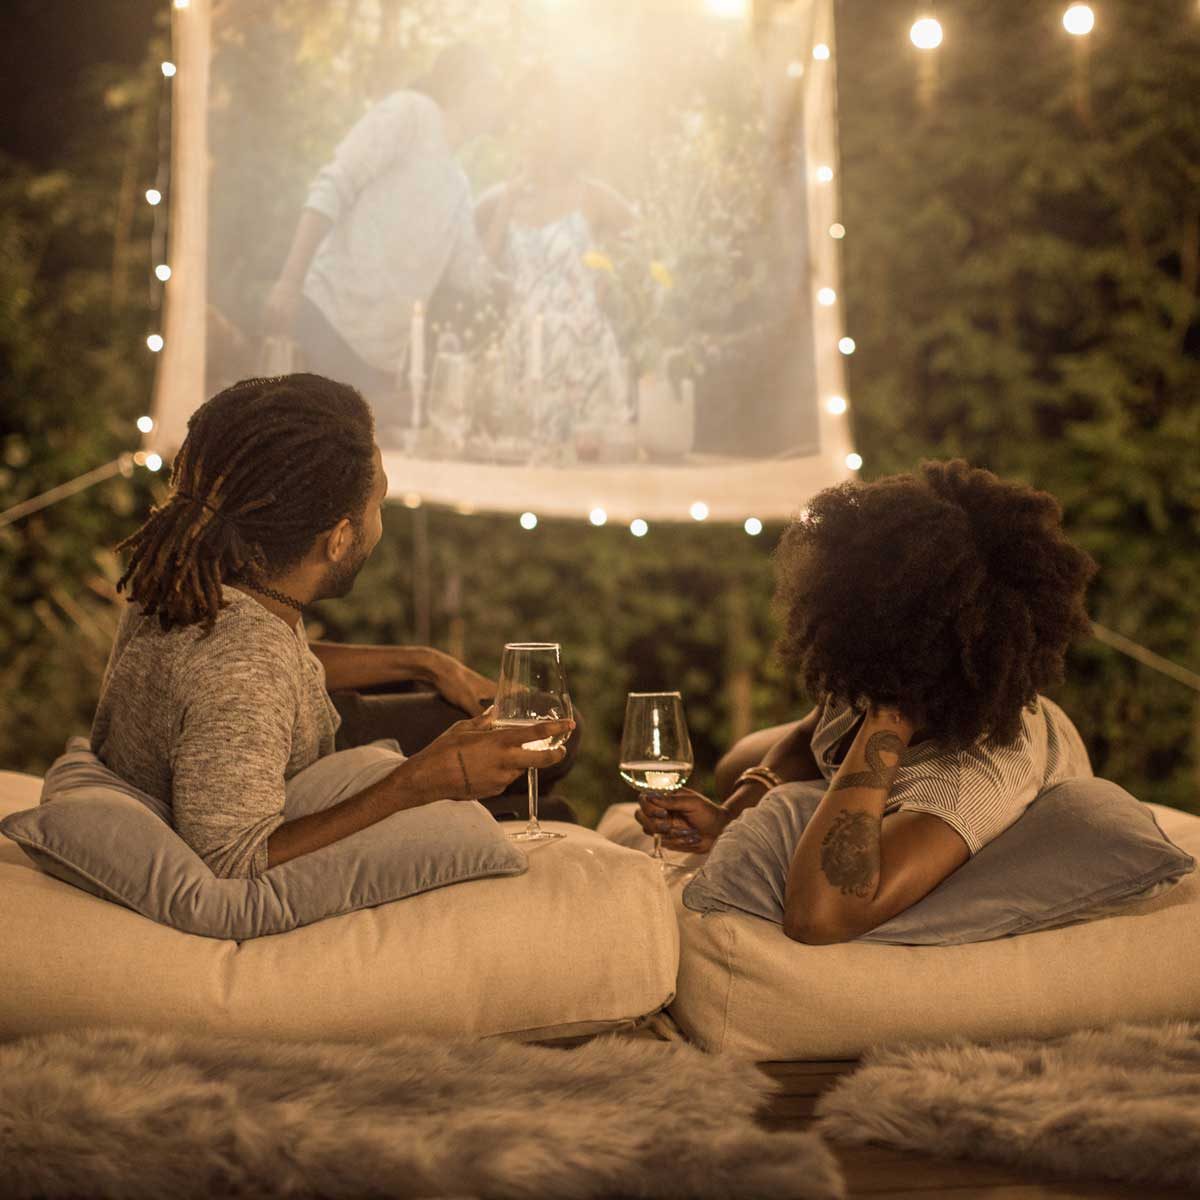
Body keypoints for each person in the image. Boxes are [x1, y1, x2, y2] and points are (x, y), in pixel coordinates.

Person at [91, 373, 578, 880]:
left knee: (554, 727)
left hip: (294, 741)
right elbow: (233, 860)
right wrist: (424, 779)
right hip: (288, 776)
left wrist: (425, 663)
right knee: (552, 785)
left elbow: (252, 670)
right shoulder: (243, 668)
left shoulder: (191, 575)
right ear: (340, 539)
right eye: (379, 504)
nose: (380, 521)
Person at [636, 459, 1100, 944]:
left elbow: (818, 916)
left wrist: (889, 717)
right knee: (737, 763)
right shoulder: (875, 658)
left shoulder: (974, 775)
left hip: (999, 761)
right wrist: (732, 814)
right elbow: (812, 729)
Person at [264, 45, 503, 434]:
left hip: (380, 370)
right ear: (462, 83)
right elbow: (333, 185)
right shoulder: (410, 113)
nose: (499, 101)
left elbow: (471, 276)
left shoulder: (459, 184)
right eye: (492, 87)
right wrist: (290, 282)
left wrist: (506, 205)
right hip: (325, 323)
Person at [475, 66, 636, 450]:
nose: (534, 131)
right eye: (528, 121)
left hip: (584, 353)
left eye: (545, 122)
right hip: (523, 355)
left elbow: (647, 258)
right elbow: (480, 276)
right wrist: (506, 204)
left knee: (589, 476)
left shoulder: (594, 197)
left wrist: (610, 284)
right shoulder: (499, 200)